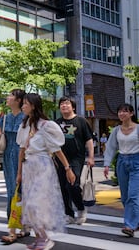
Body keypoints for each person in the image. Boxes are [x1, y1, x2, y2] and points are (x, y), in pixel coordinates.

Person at [16, 93, 75, 250]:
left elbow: (56, 150)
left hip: (43, 167)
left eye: (25, 104)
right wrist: (19, 173)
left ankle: (46, 238)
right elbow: (22, 150)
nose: (22, 106)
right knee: (29, 205)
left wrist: (68, 168)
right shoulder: (24, 126)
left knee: (36, 204)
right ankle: (40, 238)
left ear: (33, 105)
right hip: (29, 167)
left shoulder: (46, 125)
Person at [0, 89, 27, 243]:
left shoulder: (27, 118)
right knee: (12, 192)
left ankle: (22, 226)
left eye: (10, 96)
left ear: (18, 100)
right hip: (9, 159)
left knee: (24, 192)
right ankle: (13, 229)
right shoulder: (4, 119)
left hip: (24, 159)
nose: (7, 98)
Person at [55, 96, 94, 225]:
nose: (64, 106)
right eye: (62, 104)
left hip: (76, 158)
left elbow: (89, 140)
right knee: (63, 187)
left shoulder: (81, 121)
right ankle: (69, 214)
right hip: (60, 158)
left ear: (73, 106)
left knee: (72, 185)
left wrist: (91, 157)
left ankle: (81, 209)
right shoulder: (56, 123)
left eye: (67, 103)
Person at [103, 103, 139, 237]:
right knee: (124, 196)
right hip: (122, 162)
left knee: (133, 195)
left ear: (131, 113)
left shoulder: (137, 129)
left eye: (125, 111)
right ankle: (136, 220)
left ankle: (129, 226)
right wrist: (106, 164)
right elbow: (111, 147)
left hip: (137, 162)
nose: (122, 114)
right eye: (119, 112)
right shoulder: (117, 130)